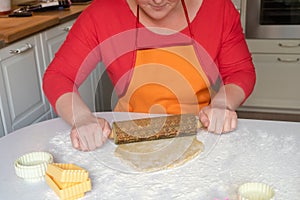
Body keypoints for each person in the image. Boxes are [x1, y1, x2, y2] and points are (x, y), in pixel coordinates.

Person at [43, 0, 256, 151]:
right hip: (130, 137)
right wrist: (81, 117)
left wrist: (223, 103)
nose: (157, 0)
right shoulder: (102, 13)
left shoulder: (218, 8)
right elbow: (58, 75)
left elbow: (240, 71)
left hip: (202, 132)